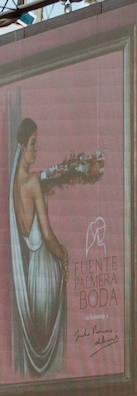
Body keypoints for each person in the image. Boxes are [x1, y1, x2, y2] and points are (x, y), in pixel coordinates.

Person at [10, 117, 68, 377]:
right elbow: (46, 234)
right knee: (50, 332)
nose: (37, 149)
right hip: (44, 267)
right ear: (22, 146)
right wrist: (63, 254)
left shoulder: (14, 185)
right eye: (33, 144)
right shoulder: (32, 182)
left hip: (32, 270)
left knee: (40, 331)